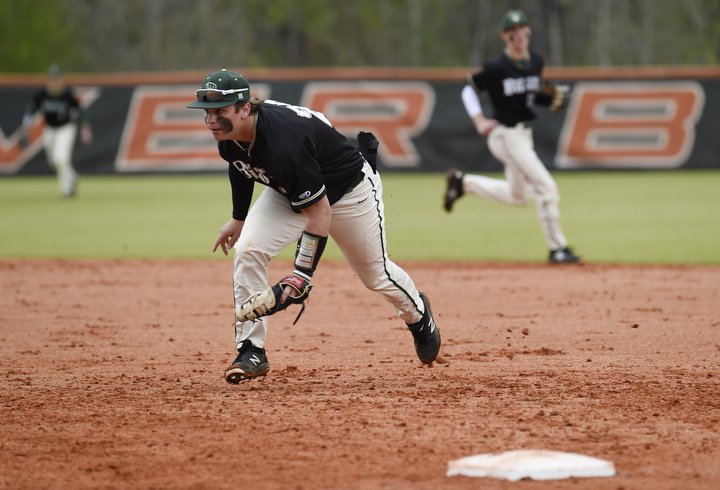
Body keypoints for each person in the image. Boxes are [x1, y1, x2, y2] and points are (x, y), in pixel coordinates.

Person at [186, 69, 441, 384]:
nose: (211, 120)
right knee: (249, 250)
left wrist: (300, 276)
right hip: (289, 188)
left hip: (349, 192)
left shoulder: (284, 142)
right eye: (207, 112)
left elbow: (319, 213)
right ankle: (251, 350)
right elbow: (241, 166)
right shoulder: (228, 135)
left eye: (220, 111)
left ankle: (418, 317)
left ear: (245, 108)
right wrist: (239, 218)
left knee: (376, 275)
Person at [443, 9, 581, 264]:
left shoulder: (535, 62)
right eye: (511, 31)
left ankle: (464, 183)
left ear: (528, 31)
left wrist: (549, 98)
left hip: (524, 135)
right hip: (506, 137)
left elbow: (530, 95)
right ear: (504, 36)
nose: (518, 34)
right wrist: (479, 119)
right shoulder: (497, 68)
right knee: (547, 188)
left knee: (518, 197)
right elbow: (468, 90)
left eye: (521, 29)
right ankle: (557, 249)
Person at [20, 64, 93, 198]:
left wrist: (85, 127)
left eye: (56, 78)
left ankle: (67, 190)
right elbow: (31, 110)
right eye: (51, 78)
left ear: (61, 79)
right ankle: (72, 176)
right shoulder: (42, 94)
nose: (54, 81)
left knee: (61, 158)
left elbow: (81, 110)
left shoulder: (67, 94)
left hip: (66, 128)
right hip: (50, 129)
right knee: (53, 161)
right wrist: (26, 126)